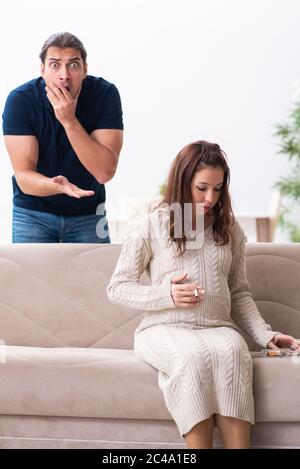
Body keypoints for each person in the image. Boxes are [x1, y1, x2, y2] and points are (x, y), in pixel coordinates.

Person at [107, 140, 300, 449]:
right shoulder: (150, 225)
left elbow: (239, 293)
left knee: (233, 352)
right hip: (162, 330)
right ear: (182, 182)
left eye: (218, 189)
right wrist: (166, 295)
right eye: (202, 188)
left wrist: (265, 335)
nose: (210, 198)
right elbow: (117, 288)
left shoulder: (230, 231)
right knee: (191, 358)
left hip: (216, 328)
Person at [2, 32, 123, 243]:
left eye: (73, 65)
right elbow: (24, 177)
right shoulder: (20, 101)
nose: (64, 75)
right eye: (55, 65)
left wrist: (69, 121)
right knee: (32, 276)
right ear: (42, 70)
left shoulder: (105, 95)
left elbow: (104, 172)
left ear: (85, 69)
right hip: (33, 214)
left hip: (89, 212)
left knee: (94, 277)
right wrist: (57, 186)